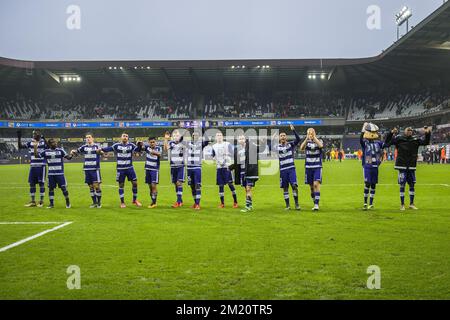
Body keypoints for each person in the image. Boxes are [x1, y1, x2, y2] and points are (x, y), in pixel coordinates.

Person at [385, 126, 431, 211]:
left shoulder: (415, 139)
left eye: (411, 130)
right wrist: (391, 133)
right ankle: (402, 204)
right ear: (404, 131)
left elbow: (426, 142)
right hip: (402, 165)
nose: (410, 131)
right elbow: (387, 143)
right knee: (402, 185)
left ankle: (411, 204)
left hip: (411, 165)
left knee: (412, 184)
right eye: (408, 130)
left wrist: (427, 133)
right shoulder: (399, 139)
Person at [99, 132, 142, 208]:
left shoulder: (131, 145)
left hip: (130, 168)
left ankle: (135, 200)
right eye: (124, 136)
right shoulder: (117, 145)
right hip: (120, 169)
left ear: (128, 138)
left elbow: (138, 150)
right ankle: (122, 202)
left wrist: (139, 145)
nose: (125, 137)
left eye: (126, 136)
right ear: (121, 137)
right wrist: (100, 149)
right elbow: (108, 149)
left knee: (135, 183)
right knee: (121, 185)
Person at [36, 138, 73, 209]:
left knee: (63, 188)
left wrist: (72, 154)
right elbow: (37, 156)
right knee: (51, 189)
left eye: (55, 142)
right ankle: (51, 204)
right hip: (51, 174)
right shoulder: (46, 152)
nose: (55, 143)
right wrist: (35, 148)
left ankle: (68, 202)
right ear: (49, 144)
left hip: (60, 174)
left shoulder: (60, 150)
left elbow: (68, 158)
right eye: (53, 142)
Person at [273, 124, 301, 211]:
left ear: (286, 137)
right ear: (279, 138)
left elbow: (298, 139)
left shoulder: (290, 144)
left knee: (294, 186)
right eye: (281, 136)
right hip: (283, 170)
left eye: (284, 135)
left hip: (291, 169)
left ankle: (296, 204)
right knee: (285, 188)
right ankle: (288, 205)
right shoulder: (276, 147)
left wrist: (293, 130)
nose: (283, 137)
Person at [359, 123, 387, 210]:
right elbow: (360, 139)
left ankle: (371, 203)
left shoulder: (378, 143)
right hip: (367, 166)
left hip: (375, 167)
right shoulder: (365, 143)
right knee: (367, 184)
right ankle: (365, 203)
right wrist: (363, 129)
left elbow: (386, 144)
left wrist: (390, 134)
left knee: (373, 185)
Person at [71, 133, 102, 208]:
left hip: (95, 169)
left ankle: (99, 202)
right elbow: (77, 153)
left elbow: (102, 153)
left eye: (89, 137)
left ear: (92, 138)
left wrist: (100, 152)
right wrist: (73, 152)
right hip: (87, 169)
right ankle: (94, 203)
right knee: (91, 187)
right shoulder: (84, 147)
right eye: (87, 138)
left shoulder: (97, 146)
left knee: (96, 186)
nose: (88, 139)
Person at [18, 130, 48, 207]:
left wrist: (44, 138)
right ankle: (33, 201)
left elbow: (49, 147)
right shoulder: (30, 142)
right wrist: (19, 137)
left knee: (41, 183)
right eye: (33, 134)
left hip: (41, 166)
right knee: (32, 184)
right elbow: (20, 146)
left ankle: (41, 201)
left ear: (39, 134)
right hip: (33, 166)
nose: (34, 135)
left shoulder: (43, 142)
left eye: (36, 134)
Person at [211, 131, 238, 208]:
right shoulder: (214, 146)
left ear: (222, 137)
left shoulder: (227, 144)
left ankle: (235, 202)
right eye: (217, 135)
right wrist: (216, 160)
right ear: (216, 137)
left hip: (227, 168)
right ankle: (222, 203)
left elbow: (233, 153)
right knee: (221, 185)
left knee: (230, 184)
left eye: (220, 135)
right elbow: (212, 156)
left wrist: (227, 160)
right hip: (219, 168)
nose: (219, 136)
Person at [235, 134, 260, 213]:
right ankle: (250, 205)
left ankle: (247, 206)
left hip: (249, 171)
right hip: (242, 172)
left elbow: (258, 149)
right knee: (246, 190)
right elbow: (238, 163)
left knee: (248, 188)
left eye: (243, 138)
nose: (241, 140)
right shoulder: (238, 150)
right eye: (240, 139)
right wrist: (231, 168)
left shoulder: (251, 147)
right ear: (238, 141)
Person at [300, 128, 324, 211]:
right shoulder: (307, 142)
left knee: (316, 185)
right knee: (311, 188)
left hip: (317, 166)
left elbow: (321, 146)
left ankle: (317, 205)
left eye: (312, 132)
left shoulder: (319, 140)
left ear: (314, 133)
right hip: (308, 167)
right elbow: (301, 148)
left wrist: (314, 138)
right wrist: (307, 138)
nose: (310, 134)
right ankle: (315, 202)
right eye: (309, 133)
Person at [186, 130, 209, 210]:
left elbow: (207, 140)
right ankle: (195, 202)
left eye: (196, 135)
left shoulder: (200, 144)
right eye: (193, 135)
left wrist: (203, 130)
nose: (194, 136)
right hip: (189, 168)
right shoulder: (187, 144)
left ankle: (198, 204)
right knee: (192, 186)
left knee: (197, 185)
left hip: (197, 167)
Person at [164, 129, 186, 208]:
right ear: (172, 137)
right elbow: (165, 149)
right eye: (174, 135)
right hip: (173, 166)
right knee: (175, 184)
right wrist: (166, 139)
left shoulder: (183, 143)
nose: (176, 137)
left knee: (179, 183)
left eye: (177, 135)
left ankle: (178, 202)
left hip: (180, 166)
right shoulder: (170, 143)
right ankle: (180, 200)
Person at [142, 137, 161, 208]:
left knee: (153, 185)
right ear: (149, 142)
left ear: (155, 142)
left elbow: (159, 154)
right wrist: (139, 144)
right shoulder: (147, 147)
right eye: (151, 142)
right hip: (147, 169)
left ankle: (154, 203)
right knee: (150, 187)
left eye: (153, 142)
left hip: (154, 170)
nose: (152, 143)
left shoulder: (158, 148)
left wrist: (151, 151)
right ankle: (153, 200)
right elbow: (139, 149)